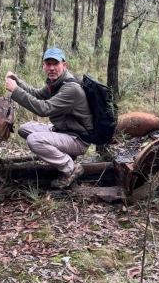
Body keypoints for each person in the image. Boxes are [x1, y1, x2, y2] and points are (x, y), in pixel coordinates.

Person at [5, 48, 93, 188]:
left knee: (34, 140)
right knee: (24, 129)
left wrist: (15, 90)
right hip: (63, 131)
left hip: (78, 139)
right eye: (48, 64)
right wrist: (18, 82)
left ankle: (70, 168)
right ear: (43, 66)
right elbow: (37, 94)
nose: (52, 68)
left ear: (64, 65)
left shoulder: (70, 88)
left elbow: (43, 109)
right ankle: (65, 155)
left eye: (55, 64)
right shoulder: (56, 83)